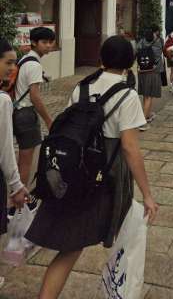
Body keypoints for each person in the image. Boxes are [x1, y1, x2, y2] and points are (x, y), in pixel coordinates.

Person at [26, 35, 158, 299]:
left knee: (71, 246)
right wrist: (147, 194)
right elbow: (130, 148)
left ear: (101, 58)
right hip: (102, 178)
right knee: (73, 246)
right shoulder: (127, 95)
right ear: (130, 62)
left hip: (73, 170)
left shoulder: (82, 87)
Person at [0, 39, 30, 289]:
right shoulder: (3, 101)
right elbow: (5, 150)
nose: (13, 68)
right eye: (8, 62)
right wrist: (17, 185)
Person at [13, 26, 55, 200]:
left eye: (51, 42)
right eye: (44, 42)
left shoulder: (25, 59)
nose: (49, 46)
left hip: (16, 111)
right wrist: (48, 120)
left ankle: (17, 194)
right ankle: (20, 199)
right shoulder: (34, 64)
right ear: (34, 43)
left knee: (22, 157)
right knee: (26, 160)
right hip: (26, 115)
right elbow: (35, 97)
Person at [137, 28, 163, 130]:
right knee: (149, 96)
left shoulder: (141, 42)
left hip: (142, 71)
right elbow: (161, 54)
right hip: (153, 72)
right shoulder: (158, 43)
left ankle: (147, 115)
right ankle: (143, 122)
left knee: (145, 95)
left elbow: (136, 50)